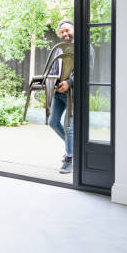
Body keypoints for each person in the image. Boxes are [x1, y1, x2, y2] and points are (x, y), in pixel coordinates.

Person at [48, 20, 75, 174]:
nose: (65, 34)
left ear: (74, 29)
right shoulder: (59, 50)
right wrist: (51, 83)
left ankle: (70, 157)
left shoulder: (84, 47)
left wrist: (69, 83)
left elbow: (86, 70)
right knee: (52, 122)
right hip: (58, 93)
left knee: (69, 127)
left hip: (73, 93)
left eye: (67, 30)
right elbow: (54, 67)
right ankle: (73, 149)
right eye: (62, 32)